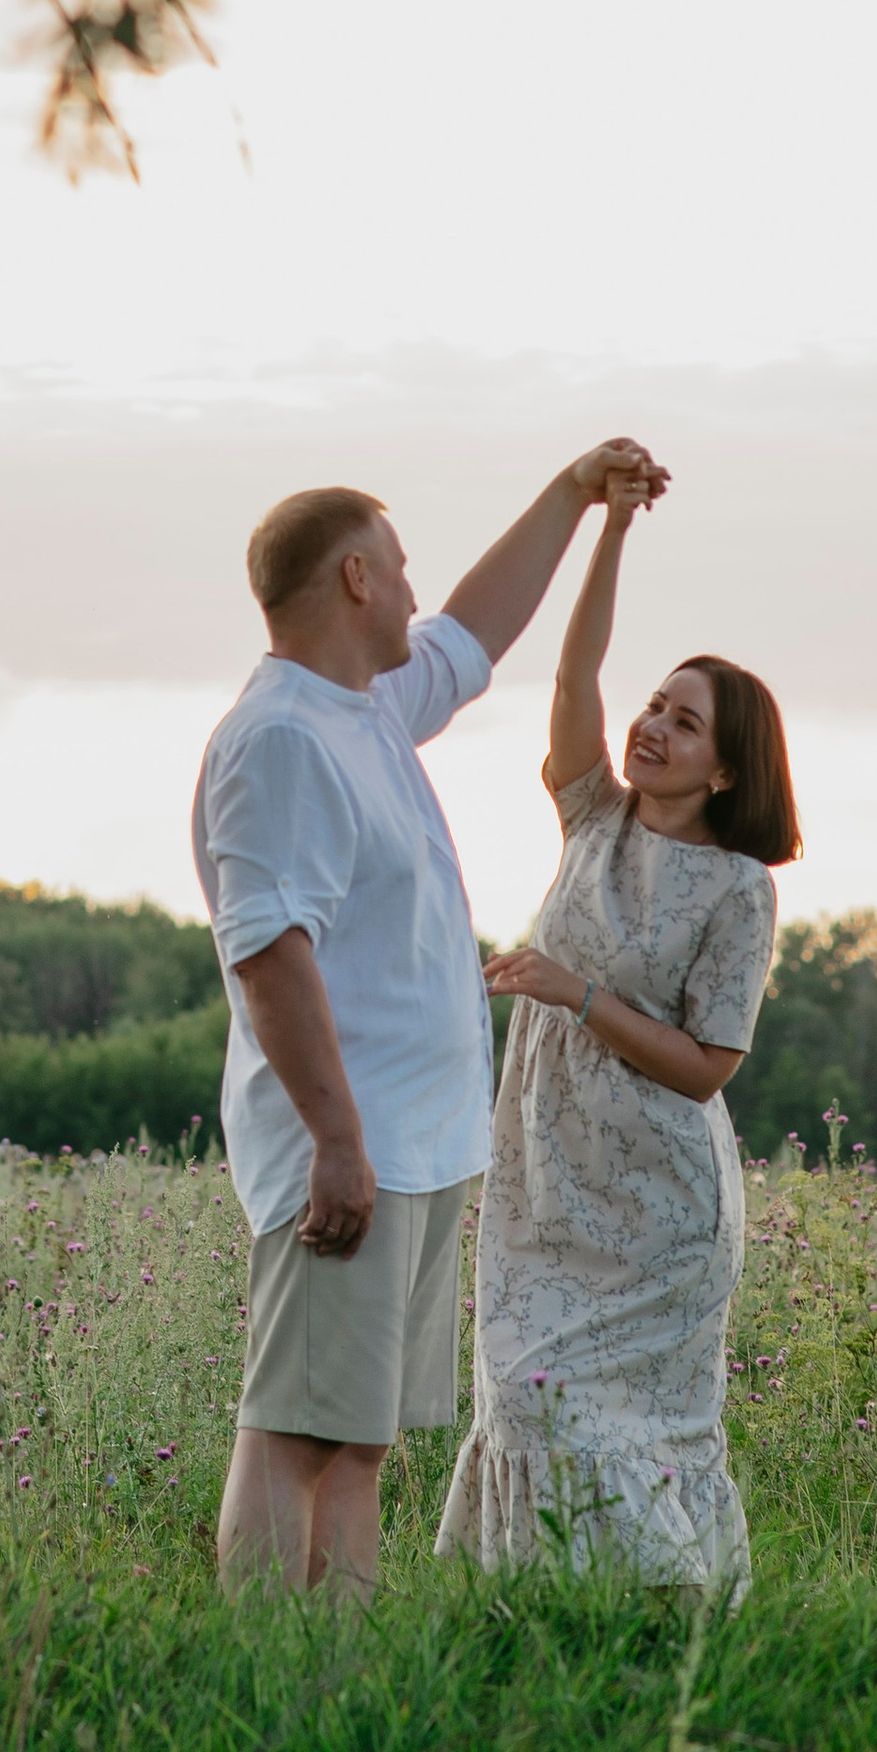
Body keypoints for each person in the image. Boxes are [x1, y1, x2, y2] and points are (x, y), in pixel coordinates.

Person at [192, 443, 668, 1599]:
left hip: (409, 1142)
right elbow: (266, 953)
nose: (417, 591)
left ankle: (338, 1678)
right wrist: (337, 1141)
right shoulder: (282, 740)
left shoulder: (362, 707)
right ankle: (261, 1676)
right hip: (347, 1147)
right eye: (400, 569)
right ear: (355, 578)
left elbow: (473, 630)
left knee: (353, 1441)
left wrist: (571, 496)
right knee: (295, 1432)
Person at [436, 462, 798, 1593]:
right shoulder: (590, 815)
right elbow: (573, 668)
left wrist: (575, 992)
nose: (649, 726)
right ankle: (538, 1623)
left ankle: (668, 1618)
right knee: (523, 1394)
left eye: (682, 723)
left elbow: (708, 1067)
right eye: (654, 705)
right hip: (546, 1181)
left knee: (619, 1425)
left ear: (724, 765)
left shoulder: (738, 888)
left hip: (658, 1211)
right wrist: (611, 521)